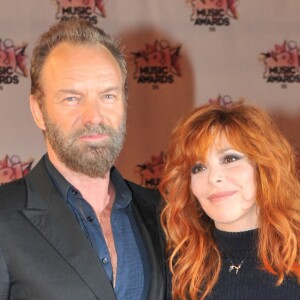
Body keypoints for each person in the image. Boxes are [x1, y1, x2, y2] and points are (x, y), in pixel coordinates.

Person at [0, 19, 166, 300]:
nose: (94, 116)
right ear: (38, 111)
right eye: (72, 98)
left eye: (108, 96)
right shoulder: (4, 216)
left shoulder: (162, 212)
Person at [159, 101, 300, 299]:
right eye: (198, 168)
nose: (213, 177)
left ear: (263, 166)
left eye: (230, 159)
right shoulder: (177, 269)